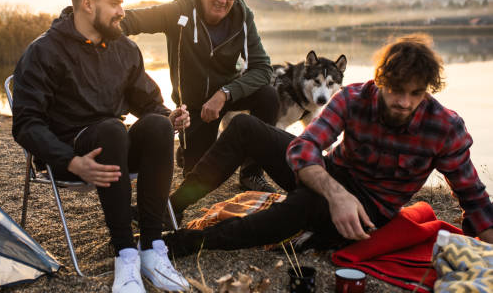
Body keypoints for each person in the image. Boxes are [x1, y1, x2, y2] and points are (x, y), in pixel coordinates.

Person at [163, 34, 493, 255]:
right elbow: (304, 148)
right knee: (244, 125)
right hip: (330, 175)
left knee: (298, 207)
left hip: (371, 208)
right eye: (396, 90)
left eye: (416, 93)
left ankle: (187, 243)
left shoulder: (445, 127)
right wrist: (336, 194)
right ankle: (171, 208)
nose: (405, 102)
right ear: (379, 81)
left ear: (427, 89)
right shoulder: (353, 97)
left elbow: (475, 201)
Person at [11, 0, 190, 293]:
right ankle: (125, 254)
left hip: (116, 150)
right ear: (87, 4)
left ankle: (151, 248)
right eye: (115, 3)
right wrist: (69, 160)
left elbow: (149, 103)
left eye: (123, 3)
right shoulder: (44, 52)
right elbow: (26, 124)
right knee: (111, 130)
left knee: (156, 126)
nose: (123, 11)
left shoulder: (124, 49)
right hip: (70, 154)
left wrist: (170, 116)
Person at [121, 0, 279, 192]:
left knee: (269, 96)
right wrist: (91, 35)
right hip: (194, 107)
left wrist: (225, 93)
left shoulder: (242, 16)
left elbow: (263, 68)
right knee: (200, 177)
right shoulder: (180, 11)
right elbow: (128, 21)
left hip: (226, 95)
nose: (223, 0)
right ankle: (186, 148)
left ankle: (251, 173)